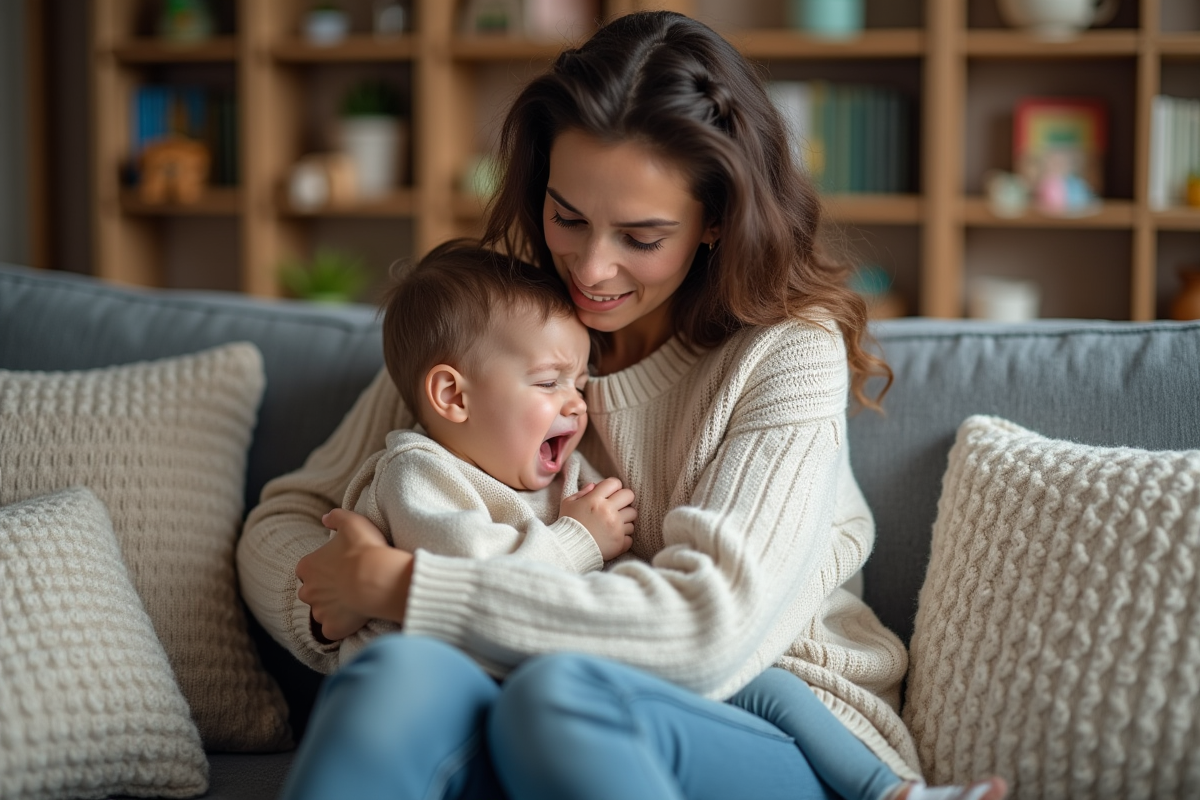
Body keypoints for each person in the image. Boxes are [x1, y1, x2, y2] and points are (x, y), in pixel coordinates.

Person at [237, 10, 1008, 800]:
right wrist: (332, 608)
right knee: (395, 672)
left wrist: (400, 586)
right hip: (506, 697)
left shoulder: (784, 355)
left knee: (563, 694)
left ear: (715, 221)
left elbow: (708, 633)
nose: (591, 269)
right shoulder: (494, 329)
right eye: (567, 217)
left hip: (770, 721)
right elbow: (284, 523)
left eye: (641, 237)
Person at [335, 238, 636, 665]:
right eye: (550, 382)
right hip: (414, 673)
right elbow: (473, 577)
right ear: (454, 397)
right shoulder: (417, 472)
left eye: (581, 383)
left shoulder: (568, 475)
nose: (577, 403)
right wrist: (579, 540)